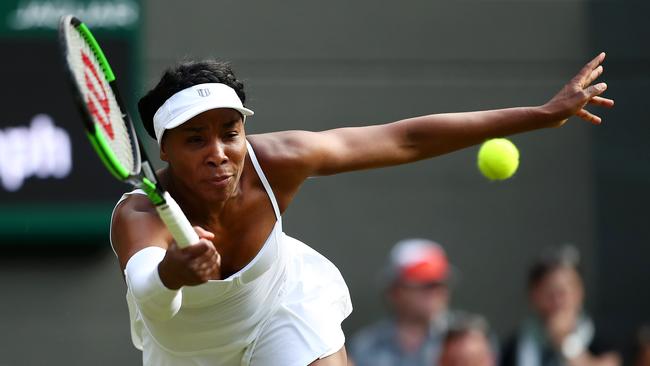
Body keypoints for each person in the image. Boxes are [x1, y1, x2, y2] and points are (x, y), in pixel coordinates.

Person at [110, 53, 613, 366]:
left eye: (230, 132)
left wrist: (539, 116)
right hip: (189, 353)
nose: (219, 151)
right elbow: (150, 296)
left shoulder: (278, 161)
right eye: (196, 139)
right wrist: (174, 271)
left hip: (280, 309)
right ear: (164, 151)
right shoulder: (138, 215)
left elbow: (407, 138)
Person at [500, 245, 621, 366]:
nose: (558, 299)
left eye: (566, 288)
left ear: (580, 292)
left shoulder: (601, 336)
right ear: (534, 295)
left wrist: (566, 342)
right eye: (550, 290)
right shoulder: (515, 346)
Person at [348, 238, 456, 366]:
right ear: (394, 290)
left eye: (440, 284)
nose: (435, 292)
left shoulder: (468, 342)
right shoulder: (365, 345)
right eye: (425, 284)